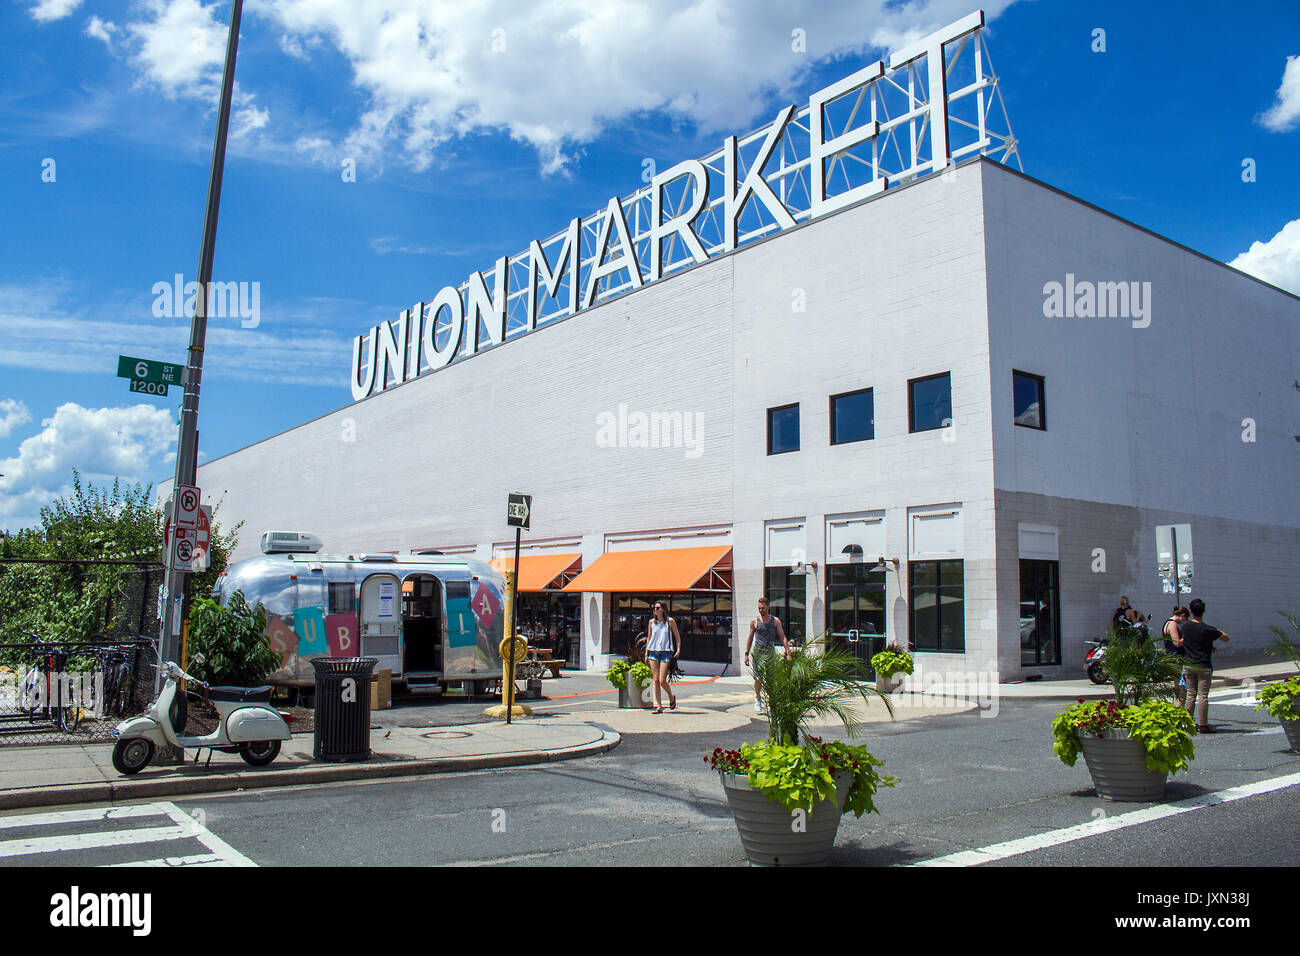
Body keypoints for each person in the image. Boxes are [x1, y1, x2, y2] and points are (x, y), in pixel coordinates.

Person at [1178, 598, 1230, 733]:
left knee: (1190, 694)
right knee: (1203, 696)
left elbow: (1187, 641)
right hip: (1203, 664)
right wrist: (1213, 633)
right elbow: (1226, 637)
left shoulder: (1185, 626)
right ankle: (1203, 724)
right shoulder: (1208, 629)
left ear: (1191, 611)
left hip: (1189, 664)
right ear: (1203, 611)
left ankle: (1188, 722)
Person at [744, 597, 791, 713]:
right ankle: (758, 698)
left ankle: (772, 701)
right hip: (758, 652)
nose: (761, 610)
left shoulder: (775, 621)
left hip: (770, 651)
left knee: (771, 679)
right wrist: (746, 654)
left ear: (768, 607)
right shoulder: (754, 622)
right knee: (758, 677)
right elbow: (750, 638)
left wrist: (788, 652)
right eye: (759, 608)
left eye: (763, 608)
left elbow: (782, 636)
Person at [644, 601, 681, 714]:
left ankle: (671, 697)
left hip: (665, 651)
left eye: (658, 608)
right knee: (655, 680)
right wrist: (646, 653)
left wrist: (678, 648)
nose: (655, 609)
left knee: (662, 680)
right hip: (653, 652)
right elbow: (649, 638)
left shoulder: (670, 621)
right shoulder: (651, 622)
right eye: (654, 607)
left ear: (663, 609)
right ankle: (659, 706)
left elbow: (677, 637)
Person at [1162, 606, 1189, 705]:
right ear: (1182, 616)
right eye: (1185, 619)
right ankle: (1178, 708)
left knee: (1177, 685)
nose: (1183, 622)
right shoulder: (1172, 624)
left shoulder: (1167, 622)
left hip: (1171, 656)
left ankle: (1175, 706)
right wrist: (1187, 637)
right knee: (1180, 687)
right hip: (1176, 657)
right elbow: (1176, 643)